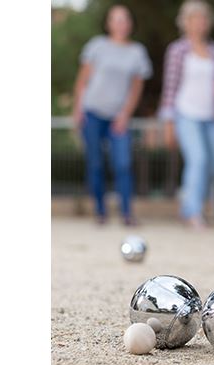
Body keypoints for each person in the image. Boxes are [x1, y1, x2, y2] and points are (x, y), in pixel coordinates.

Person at [72, 4, 152, 226]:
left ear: (130, 24)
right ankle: (100, 211)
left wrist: (125, 114)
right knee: (95, 163)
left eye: (124, 19)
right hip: (92, 112)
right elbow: (82, 80)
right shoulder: (97, 46)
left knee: (123, 163)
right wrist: (77, 110)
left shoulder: (137, 52)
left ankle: (127, 212)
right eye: (116, 19)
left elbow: (136, 88)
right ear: (109, 24)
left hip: (118, 117)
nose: (121, 24)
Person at [158, 0, 214, 230]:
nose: (199, 23)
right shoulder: (177, 50)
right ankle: (193, 212)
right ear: (185, 23)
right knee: (198, 159)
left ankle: (189, 204)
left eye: (203, 18)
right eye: (194, 19)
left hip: (212, 116)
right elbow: (170, 87)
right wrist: (168, 121)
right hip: (186, 114)